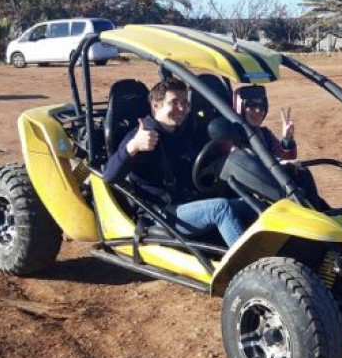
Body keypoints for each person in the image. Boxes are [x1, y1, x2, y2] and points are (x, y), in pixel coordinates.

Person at [103, 77, 252, 246]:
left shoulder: (184, 132)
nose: (181, 108)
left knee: (252, 204)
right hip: (163, 213)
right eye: (174, 103)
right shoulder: (141, 136)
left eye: (185, 103)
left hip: (190, 202)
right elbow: (109, 176)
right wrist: (133, 147)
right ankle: (248, 270)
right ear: (156, 105)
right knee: (221, 208)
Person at [233, 85, 329, 211]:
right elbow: (245, 166)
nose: (258, 111)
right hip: (254, 192)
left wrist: (287, 140)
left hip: (275, 186)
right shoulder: (232, 136)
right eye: (251, 106)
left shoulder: (264, 134)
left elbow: (286, 158)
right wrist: (279, 164)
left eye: (261, 106)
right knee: (302, 180)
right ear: (240, 108)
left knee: (303, 179)